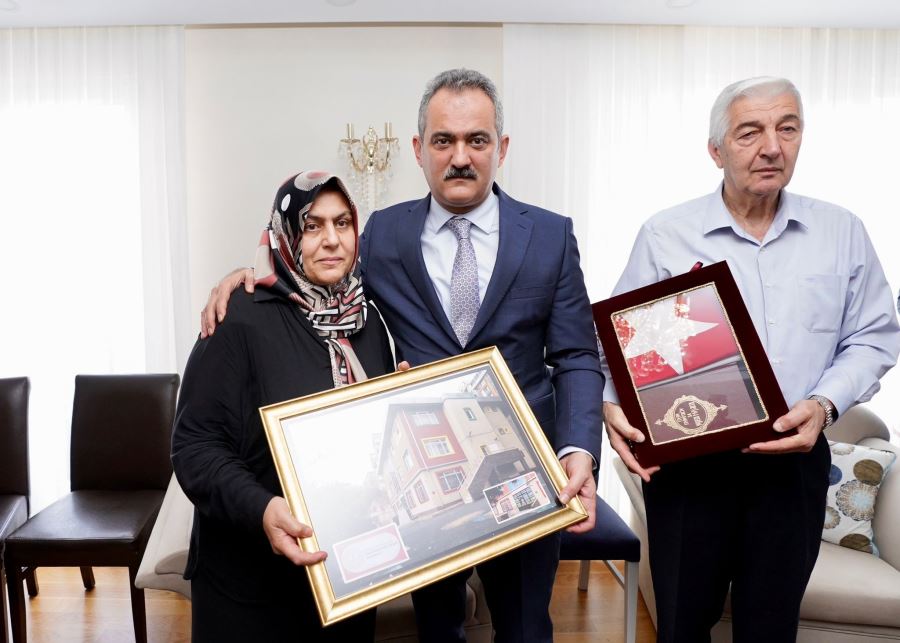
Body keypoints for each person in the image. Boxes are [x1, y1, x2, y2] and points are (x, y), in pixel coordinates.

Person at [200, 69, 604, 643]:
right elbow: (317, 277)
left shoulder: (549, 234)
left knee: (524, 628)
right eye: (444, 141)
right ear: (419, 150)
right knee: (437, 629)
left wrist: (579, 448)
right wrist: (247, 275)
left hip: (528, 476)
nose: (460, 156)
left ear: (502, 148)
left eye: (477, 140)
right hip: (419, 481)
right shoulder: (382, 234)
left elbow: (577, 354)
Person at [603, 77, 900, 643]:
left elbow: (876, 335)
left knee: (770, 628)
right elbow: (623, 344)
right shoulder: (666, 235)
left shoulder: (842, 233)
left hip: (794, 466)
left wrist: (825, 403)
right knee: (683, 626)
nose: (772, 146)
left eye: (787, 128)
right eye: (750, 132)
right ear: (716, 151)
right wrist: (610, 406)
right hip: (691, 472)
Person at [172, 171, 395, 642]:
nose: (331, 240)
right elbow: (194, 447)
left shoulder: (369, 321)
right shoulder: (239, 317)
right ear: (285, 235)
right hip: (251, 585)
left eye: (342, 223)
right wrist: (263, 508)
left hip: (344, 577)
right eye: (312, 226)